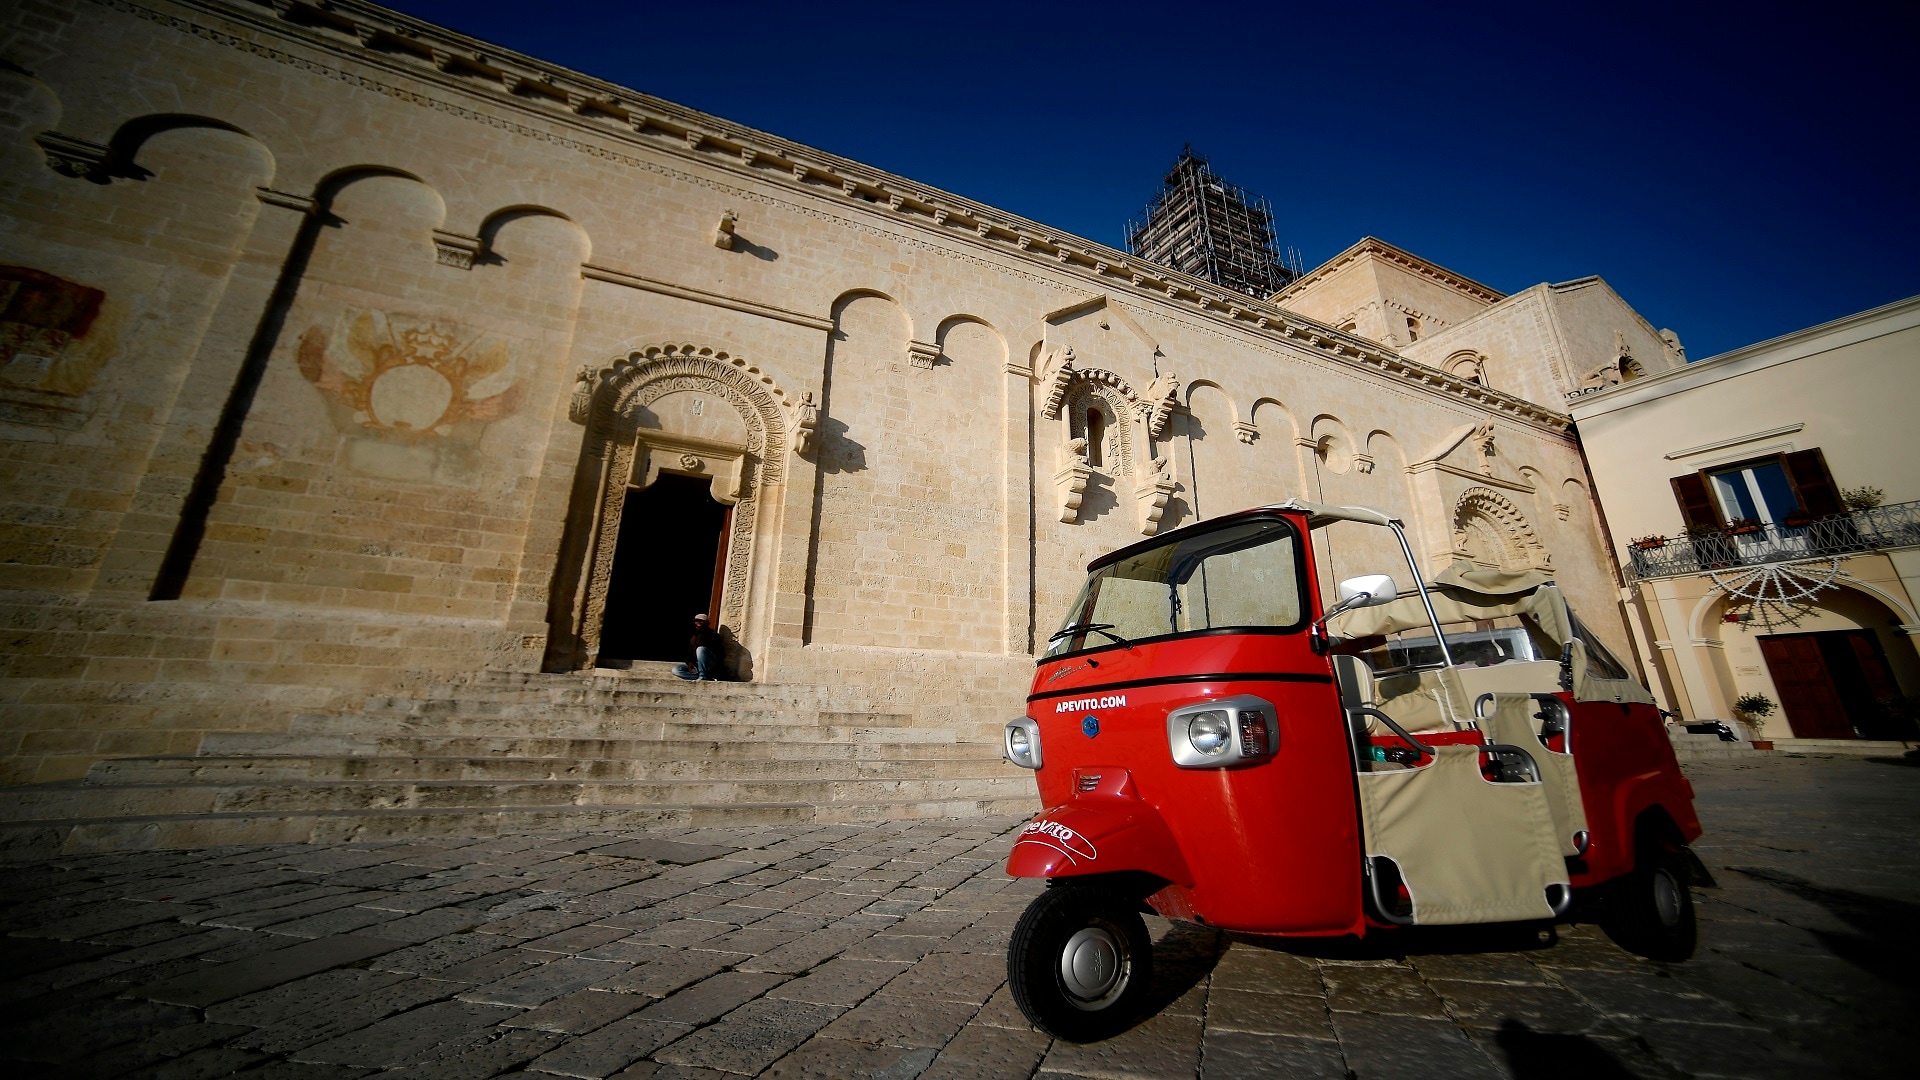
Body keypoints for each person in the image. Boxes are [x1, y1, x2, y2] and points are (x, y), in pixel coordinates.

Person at [673, 614, 722, 681]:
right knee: (676, 670)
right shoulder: (693, 638)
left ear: (707, 623)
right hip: (697, 666)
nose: (698, 623)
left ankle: (703, 675)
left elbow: (718, 652)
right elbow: (689, 654)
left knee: (700, 649)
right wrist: (690, 663)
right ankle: (704, 677)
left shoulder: (713, 635)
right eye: (696, 621)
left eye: (701, 621)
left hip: (709, 663)